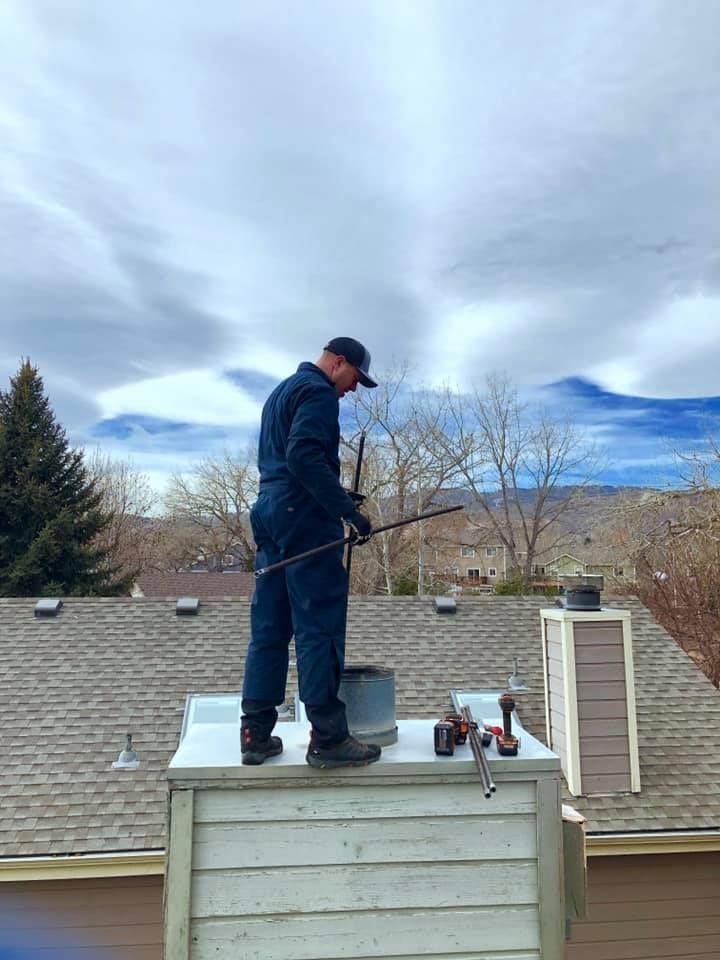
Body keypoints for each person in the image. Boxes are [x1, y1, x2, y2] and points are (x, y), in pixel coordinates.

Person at [241, 337, 382, 769]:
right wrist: (346, 512)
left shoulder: (281, 391)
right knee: (318, 624)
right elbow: (303, 456)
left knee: (270, 626)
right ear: (338, 363)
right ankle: (328, 737)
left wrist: (334, 492)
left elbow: (287, 462)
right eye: (355, 379)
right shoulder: (318, 392)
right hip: (304, 519)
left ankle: (255, 734)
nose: (352, 390)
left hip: (270, 511)